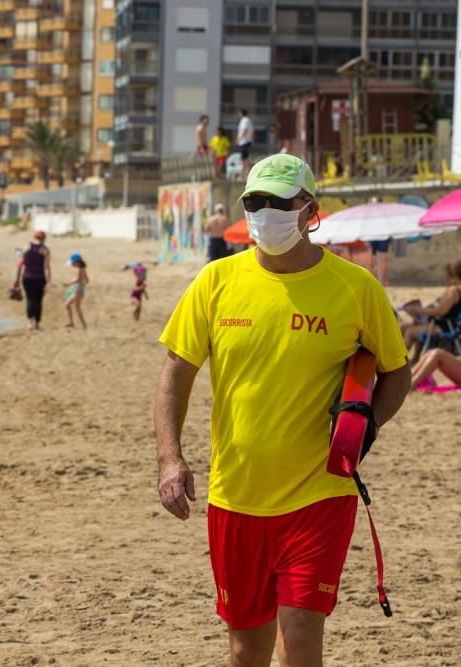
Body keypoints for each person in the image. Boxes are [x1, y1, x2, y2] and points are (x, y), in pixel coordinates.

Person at [154, 153, 411, 667]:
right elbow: (175, 373)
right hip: (236, 495)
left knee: (299, 640)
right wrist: (170, 459)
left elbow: (396, 371)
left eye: (278, 201)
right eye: (255, 201)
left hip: (320, 494)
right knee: (246, 649)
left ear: (309, 210)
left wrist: (365, 429)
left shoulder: (355, 288)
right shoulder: (215, 280)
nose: (264, 211)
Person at [401, 260, 461, 359]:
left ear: (453, 275)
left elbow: (440, 311)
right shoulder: (455, 290)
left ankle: (399, 364)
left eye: (448, 276)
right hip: (441, 324)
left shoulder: (453, 290)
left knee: (410, 332)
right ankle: (415, 359)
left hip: (444, 328)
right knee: (404, 327)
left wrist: (418, 310)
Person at [14, 230, 51, 330]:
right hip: (40, 278)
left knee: (30, 300)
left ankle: (30, 322)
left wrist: (16, 279)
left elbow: (20, 264)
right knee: (38, 301)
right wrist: (48, 282)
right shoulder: (45, 250)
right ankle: (37, 323)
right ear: (43, 238)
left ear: (34, 237)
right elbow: (46, 267)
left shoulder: (26, 246)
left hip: (27, 277)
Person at [63, 252, 89, 329]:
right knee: (72, 306)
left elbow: (78, 279)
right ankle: (76, 323)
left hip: (77, 290)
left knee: (72, 306)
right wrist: (81, 285)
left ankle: (81, 324)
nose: (72, 265)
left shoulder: (79, 269)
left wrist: (69, 283)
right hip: (78, 289)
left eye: (73, 263)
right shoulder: (82, 269)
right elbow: (87, 280)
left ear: (77, 262)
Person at [236, 110, 254, 180]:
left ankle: (242, 176)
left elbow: (244, 129)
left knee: (244, 159)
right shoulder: (247, 120)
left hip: (244, 142)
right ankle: (248, 174)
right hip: (246, 141)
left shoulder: (245, 120)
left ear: (241, 113)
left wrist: (239, 139)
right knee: (245, 159)